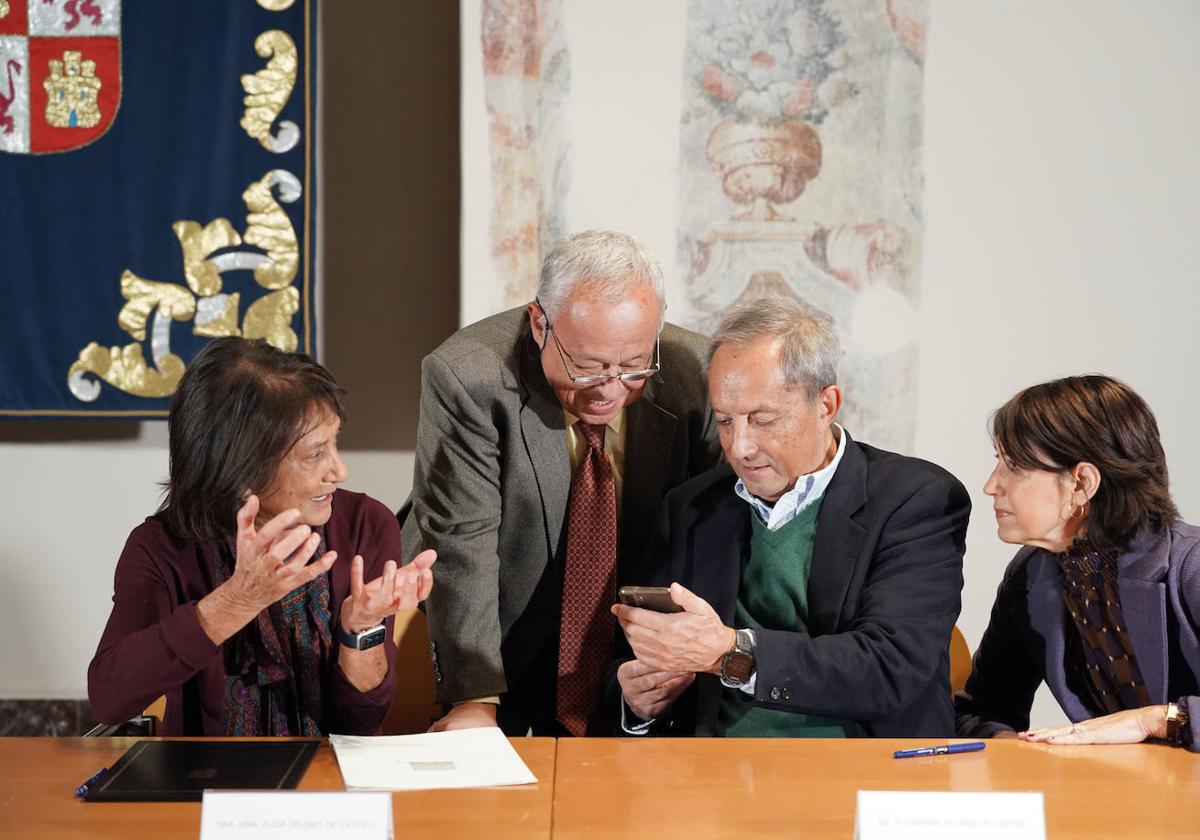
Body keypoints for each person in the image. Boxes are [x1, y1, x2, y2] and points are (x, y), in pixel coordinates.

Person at [401, 230, 721, 736]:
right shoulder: (471, 377)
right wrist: (473, 700)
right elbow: (463, 543)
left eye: (635, 366)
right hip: (496, 609)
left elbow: (712, 534)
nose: (611, 389)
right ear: (538, 323)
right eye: (588, 367)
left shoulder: (697, 373)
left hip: (629, 638)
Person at [610, 296, 969, 737]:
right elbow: (630, 663)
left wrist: (730, 652)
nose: (738, 447)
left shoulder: (917, 500)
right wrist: (637, 702)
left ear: (827, 405)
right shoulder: (691, 506)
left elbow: (888, 667)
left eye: (762, 420)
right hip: (710, 778)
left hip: (866, 773)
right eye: (724, 421)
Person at [88, 338, 435, 736]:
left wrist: (361, 629)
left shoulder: (365, 525)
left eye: (334, 444)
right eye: (315, 454)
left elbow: (360, 723)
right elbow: (109, 699)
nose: (339, 471)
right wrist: (239, 599)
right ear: (241, 466)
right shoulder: (162, 547)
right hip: (205, 781)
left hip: (328, 778)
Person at [955, 375, 1198, 750]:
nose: (991, 485)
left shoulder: (1191, 565)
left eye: (1014, 466)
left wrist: (1154, 720)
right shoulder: (1032, 573)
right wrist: (1017, 750)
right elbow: (984, 709)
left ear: (1082, 483)